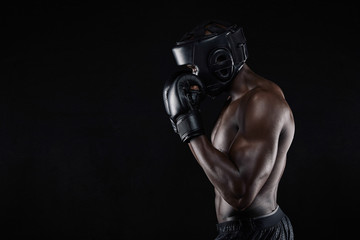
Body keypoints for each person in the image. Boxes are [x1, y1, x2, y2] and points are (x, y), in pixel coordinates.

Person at [163, 20, 295, 239]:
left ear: (219, 60)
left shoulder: (262, 103)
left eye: (194, 68)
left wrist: (187, 125)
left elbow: (240, 195)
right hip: (243, 231)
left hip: (256, 233)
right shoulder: (237, 100)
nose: (193, 77)